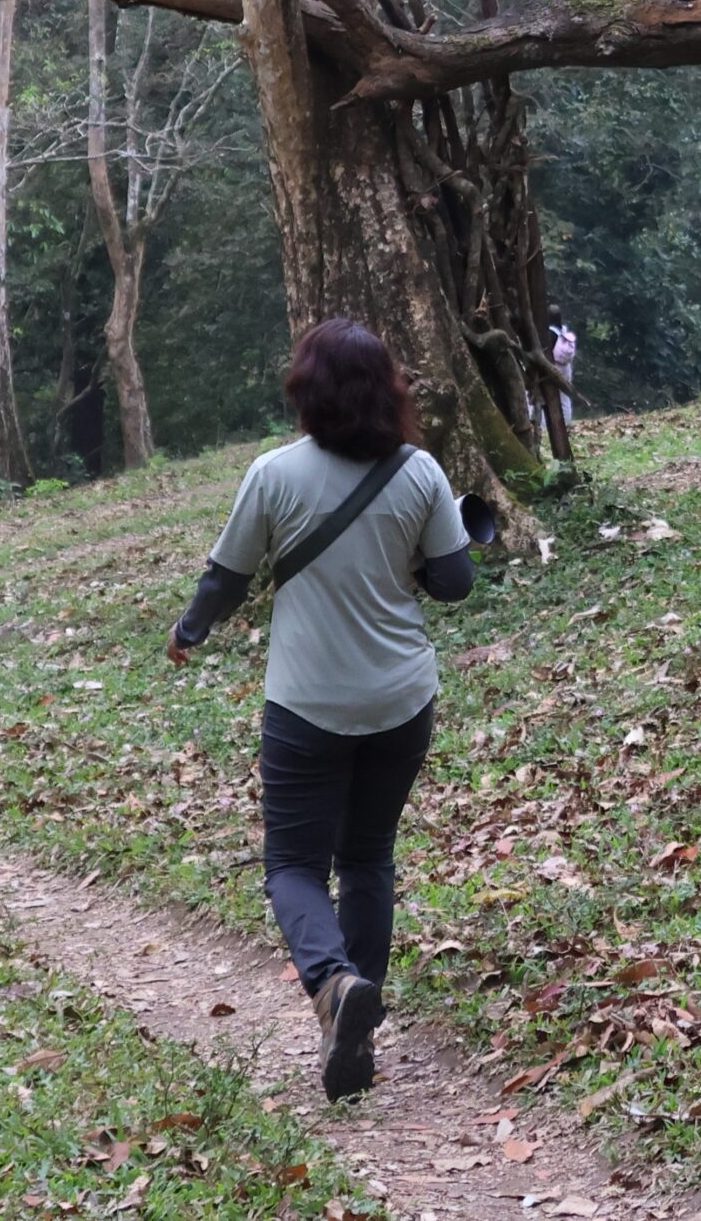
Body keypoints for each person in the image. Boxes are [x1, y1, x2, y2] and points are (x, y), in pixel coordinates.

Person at [167, 319, 475, 1102]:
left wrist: (190, 631)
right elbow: (454, 584)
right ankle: (354, 1011)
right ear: (388, 390)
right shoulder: (421, 474)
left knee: (294, 865)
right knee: (367, 855)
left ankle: (334, 986)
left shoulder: (272, 474)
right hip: (401, 698)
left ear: (304, 389)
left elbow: (227, 577)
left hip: (305, 703)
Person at [546, 304, 578, 424]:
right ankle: (567, 422)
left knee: (548, 395)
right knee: (565, 396)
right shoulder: (564, 332)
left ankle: (544, 425)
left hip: (554, 367)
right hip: (566, 368)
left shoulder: (549, 333)